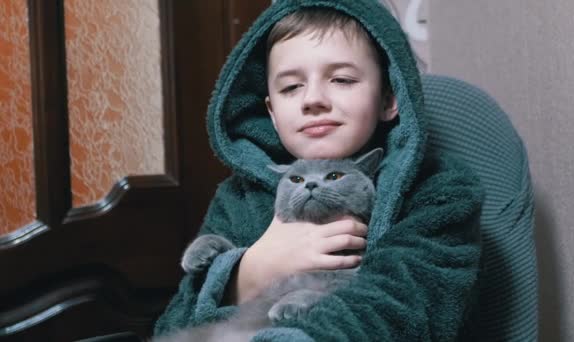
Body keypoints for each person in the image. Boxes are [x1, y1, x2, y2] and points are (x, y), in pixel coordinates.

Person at [154, 0, 483, 341]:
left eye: (341, 79)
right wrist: (247, 273)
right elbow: (174, 325)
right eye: (291, 87)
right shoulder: (238, 197)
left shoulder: (439, 192)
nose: (312, 99)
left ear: (388, 98)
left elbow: (404, 310)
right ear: (272, 111)